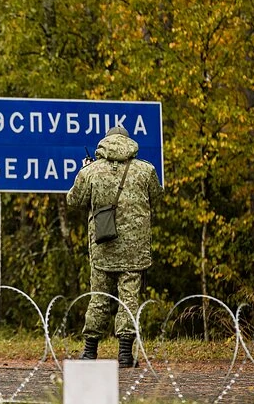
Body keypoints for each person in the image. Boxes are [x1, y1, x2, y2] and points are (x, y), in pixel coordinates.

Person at [66, 126, 163, 368]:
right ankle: (124, 354)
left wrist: (83, 169)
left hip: (103, 245)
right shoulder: (146, 170)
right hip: (135, 248)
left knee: (99, 297)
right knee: (128, 297)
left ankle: (89, 351)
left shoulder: (91, 171)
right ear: (129, 144)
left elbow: (73, 200)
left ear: (105, 143)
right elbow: (158, 198)